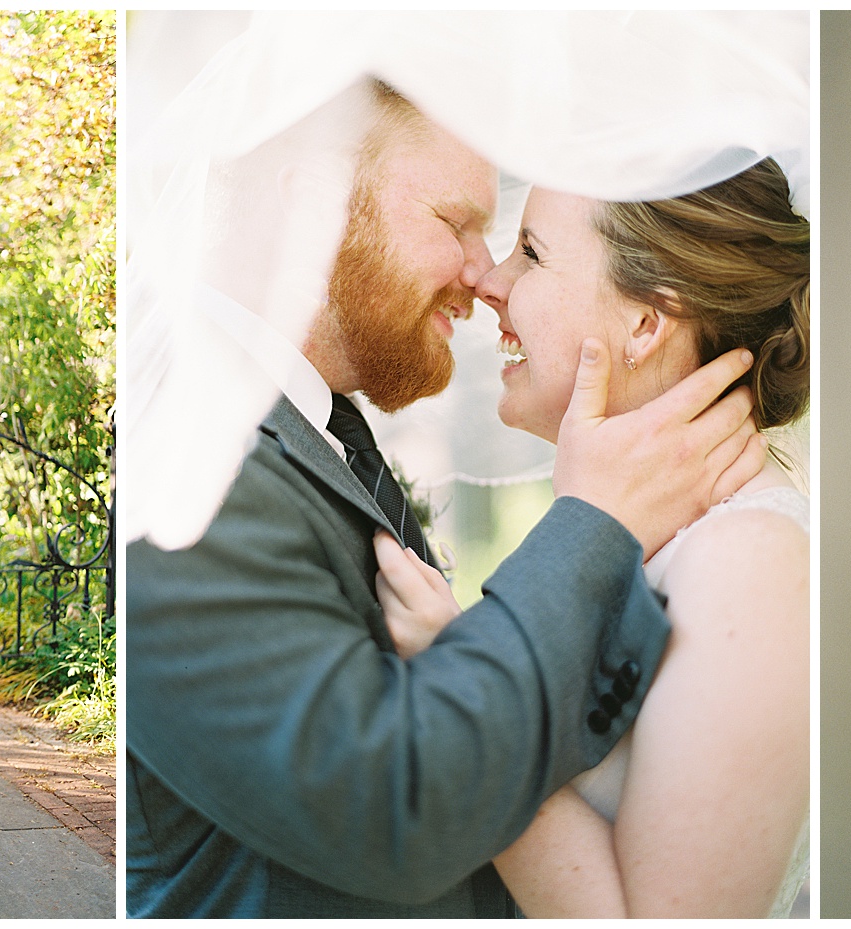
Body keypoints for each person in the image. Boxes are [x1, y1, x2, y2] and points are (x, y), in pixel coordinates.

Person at [125, 83, 770, 917]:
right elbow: (392, 812)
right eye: (455, 223)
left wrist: (458, 644)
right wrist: (593, 525)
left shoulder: (312, 428)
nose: (484, 271)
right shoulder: (188, 455)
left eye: (517, 246)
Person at [376, 159, 810, 917]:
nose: (490, 281)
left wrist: (465, 695)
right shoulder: (652, 532)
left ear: (645, 323)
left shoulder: (748, 563)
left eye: (532, 254)